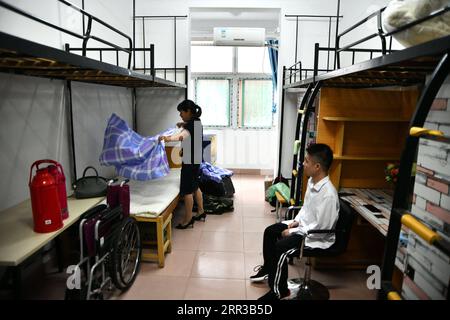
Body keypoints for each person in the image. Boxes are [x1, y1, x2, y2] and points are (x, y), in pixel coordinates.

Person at [250, 143, 339, 300]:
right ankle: (269, 269)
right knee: (270, 232)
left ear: (317, 166)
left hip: (315, 236)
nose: (303, 164)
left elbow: (321, 226)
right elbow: (305, 209)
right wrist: (295, 222)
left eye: (306, 161)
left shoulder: (328, 195)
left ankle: (280, 291)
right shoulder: (313, 182)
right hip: (304, 226)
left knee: (281, 247)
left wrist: (292, 231)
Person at [159, 99, 205, 229]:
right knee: (195, 186)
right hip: (196, 158)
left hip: (190, 161)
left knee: (187, 191)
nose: (180, 115)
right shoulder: (197, 122)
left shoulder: (190, 125)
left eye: (181, 112)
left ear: (188, 111)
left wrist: (167, 138)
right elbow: (192, 137)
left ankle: (187, 219)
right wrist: (183, 124)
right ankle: (201, 211)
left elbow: (183, 136)